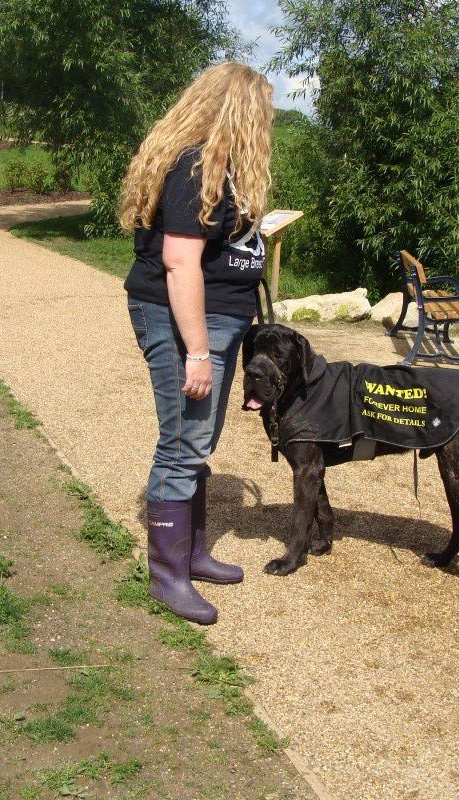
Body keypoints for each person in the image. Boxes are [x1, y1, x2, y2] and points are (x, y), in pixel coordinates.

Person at [120, 62, 272, 625]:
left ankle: (192, 552)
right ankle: (167, 577)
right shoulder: (193, 164)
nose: (267, 125)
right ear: (238, 111)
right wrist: (199, 351)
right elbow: (180, 261)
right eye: (261, 113)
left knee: (198, 440)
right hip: (182, 318)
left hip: (220, 317)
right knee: (182, 442)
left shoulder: (221, 168)